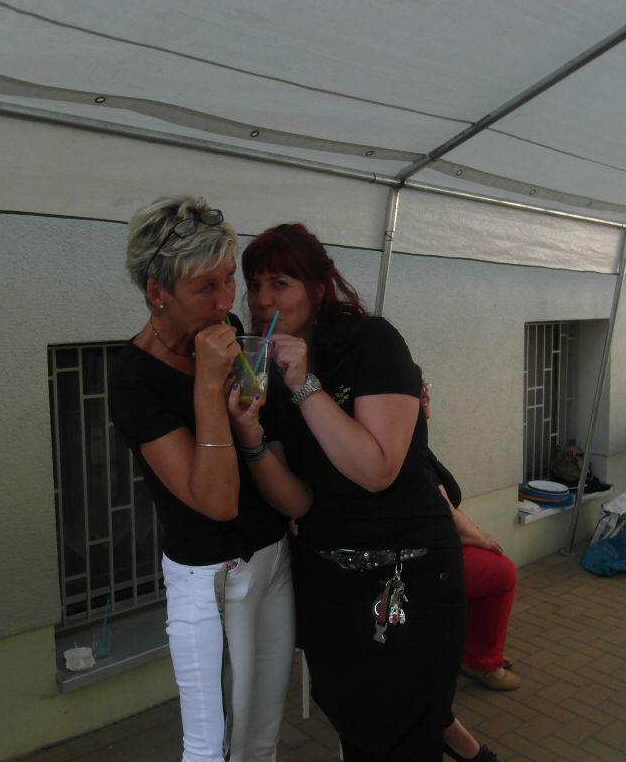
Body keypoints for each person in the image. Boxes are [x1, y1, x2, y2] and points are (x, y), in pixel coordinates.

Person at [228, 223, 465, 762]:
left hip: (408, 577)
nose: (262, 300)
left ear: (317, 288)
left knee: (403, 736)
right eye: (255, 285)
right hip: (329, 585)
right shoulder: (268, 368)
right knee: (355, 727)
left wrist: (304, 386)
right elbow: (297, 501)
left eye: (280, 283)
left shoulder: (372, 343)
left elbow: (376, 470)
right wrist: (251, 439)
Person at [108, 196, 308, 762]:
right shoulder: (134, 380)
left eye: (227, 280)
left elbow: (256, 431)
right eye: (205, 288)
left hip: (272, 556)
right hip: (212, 579)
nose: (226, 302)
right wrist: (206, 386)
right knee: (212, 747)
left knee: (261, 735)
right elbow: (216, 501)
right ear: (157, 292)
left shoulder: (227, 331)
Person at [420, 380, 512, 762]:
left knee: (495, 572)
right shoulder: (403, 446)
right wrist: (479, 538)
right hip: (427, 560)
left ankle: (476, 656)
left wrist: (474, 535)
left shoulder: (415, 442)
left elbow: (447, 506)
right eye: (420, 390)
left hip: (439, 549)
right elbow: (444, 509)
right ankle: (481, 663)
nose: (427, 393)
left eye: (426, 387)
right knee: (501, 573)